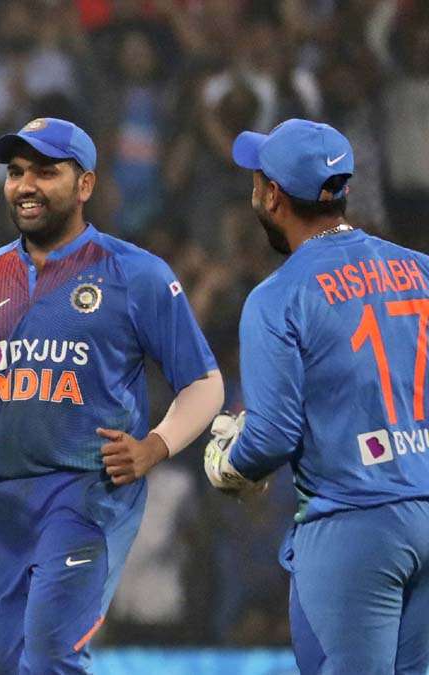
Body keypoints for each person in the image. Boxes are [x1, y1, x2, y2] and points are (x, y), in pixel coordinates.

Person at [0, 117, 223, 674]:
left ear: (85, 185)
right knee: (1, 666)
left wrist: (155, 447)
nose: (25, 186)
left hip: (88, 492)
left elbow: (203, 383)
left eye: (45, 172)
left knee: (51, 655)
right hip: (3, 501)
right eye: (16, 172)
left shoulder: (135, 274)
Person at [204, 118, 429, 674]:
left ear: (273, 197)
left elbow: (272, 437)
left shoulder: (278, 296)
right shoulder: (422, 270)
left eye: (257, 179)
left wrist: (229, 461)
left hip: (353, 527)